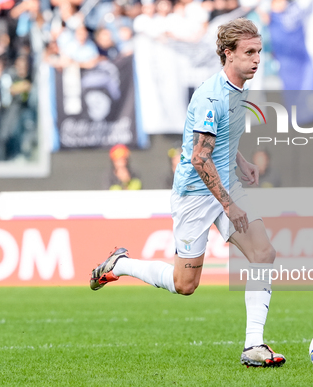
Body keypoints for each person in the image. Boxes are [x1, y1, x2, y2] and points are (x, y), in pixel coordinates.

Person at [90, 18, 286, 368]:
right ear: (228, 54)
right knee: (185, 284)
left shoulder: (240, 87)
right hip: (196, 194)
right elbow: (199, 157)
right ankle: (121, 264)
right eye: (250, 52)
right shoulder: (212, 96)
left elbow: (221, 139)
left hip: (227, 183)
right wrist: (229, 206)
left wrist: (240, 162)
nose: (258, 59)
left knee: (263, 252)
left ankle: (254, 346)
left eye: (259, 51)